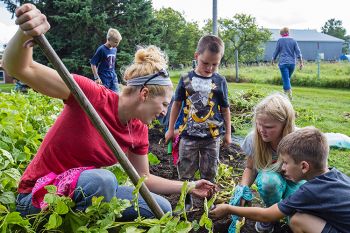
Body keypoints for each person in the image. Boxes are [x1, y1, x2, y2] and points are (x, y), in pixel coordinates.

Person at [3, 3, 216, 220]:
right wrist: (25, 31)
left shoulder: (138, 128)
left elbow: (144, 178)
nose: (163, 112)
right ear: (144, 94)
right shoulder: (90, 95)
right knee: (104, 181)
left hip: (83, 189)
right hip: (39, 196)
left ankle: (85, 215)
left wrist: (188, 186)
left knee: (161, 208)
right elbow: (19, 68)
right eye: (163, 104)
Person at [210, 126, 350, 233]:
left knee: (297, 220)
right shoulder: (337, 176)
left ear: (304, 166)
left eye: (286, 162)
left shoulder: (310, 192)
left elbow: (266, 215)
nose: (282, 167)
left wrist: (228, 209)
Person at [165, 35, 231, 183]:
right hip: (188, 135)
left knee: (209, 174)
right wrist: (170, 130)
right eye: (205, 63)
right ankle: (186, 202)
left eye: (215, 64)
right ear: (197, 56)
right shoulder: (186, 79)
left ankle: (207, 202)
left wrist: (228, 134)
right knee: (185, 174)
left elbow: (225, 109)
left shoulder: (220, 81)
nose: (209, 68)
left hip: (212, 137)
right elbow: (176, 105)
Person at [236, 93, 305, 232]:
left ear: (284, 125)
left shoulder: (299, 140)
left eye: (268, 126)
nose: (262, 130)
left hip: (296, 181)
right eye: (259, 124)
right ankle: (269, 216)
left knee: (296, 221)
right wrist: (242, 189)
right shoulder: (253, 139)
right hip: (273, 180)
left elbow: (312, 172)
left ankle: (283, 212)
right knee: (269, 182)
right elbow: (250, 168)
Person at [272, 27, 303, 100]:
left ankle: (289, 95)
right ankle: (284, 95)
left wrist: (273, 59)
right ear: (288, 32)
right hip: (292, 63)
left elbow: (276, 50)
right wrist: (301, 62)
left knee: (286, 79)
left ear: (281, 33)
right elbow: (298, 52)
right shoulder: (293, 40)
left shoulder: (280, 40)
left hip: (283, 63)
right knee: (286, 79)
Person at [90, 27, 122, 92]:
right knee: (104, 96)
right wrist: (96, 77)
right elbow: (93, 63)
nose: (117, 44)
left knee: (116, 95)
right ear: (109, 39)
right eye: (116, 42)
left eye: (118, 42)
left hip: (113, 77)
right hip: (104, 78)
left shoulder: (114, 49)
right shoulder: (101, 49)